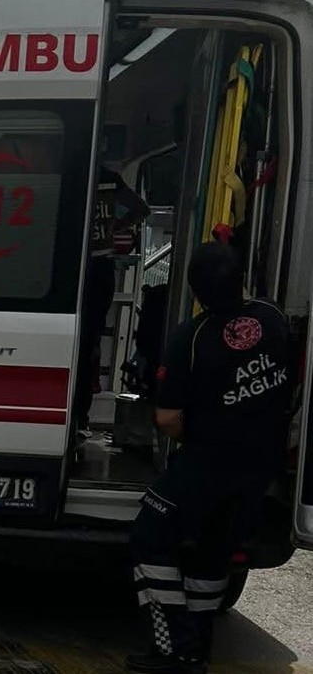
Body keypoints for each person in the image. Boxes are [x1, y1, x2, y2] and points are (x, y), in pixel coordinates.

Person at [127, 243, 291, 674]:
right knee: (213, 554)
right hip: (260, 468)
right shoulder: (273, 319)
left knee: (148, 535)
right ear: (242, 280)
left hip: (207, 464)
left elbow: (167, 419)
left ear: (196, 291)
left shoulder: (192, 337)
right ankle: (195, 650)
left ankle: (173, 646)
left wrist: (204, 433)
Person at [73, 164, 150, 442]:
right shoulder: (109, 179)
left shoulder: (66, 171)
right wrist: (115, 226)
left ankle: (73, 414)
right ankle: (80, 417)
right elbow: (141, 209)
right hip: (99, 268)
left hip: (69, 267)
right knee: (88, 345)